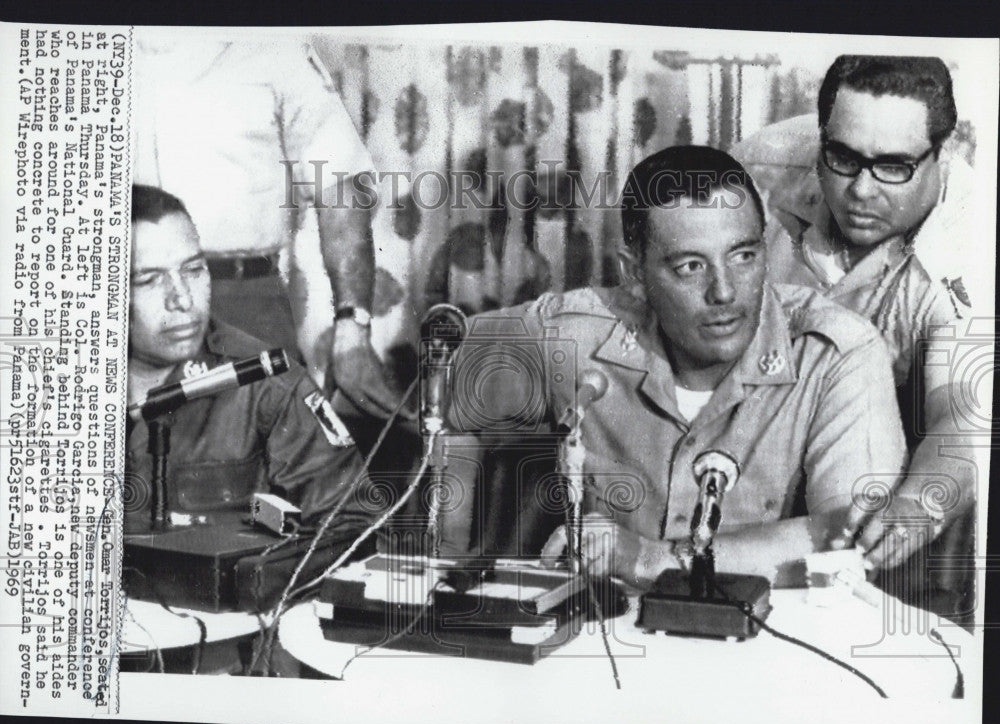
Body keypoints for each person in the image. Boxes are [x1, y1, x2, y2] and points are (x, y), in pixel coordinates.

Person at [437, 146, 907, 589]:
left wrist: (651, 559)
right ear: (636, 275)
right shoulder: (571, 337)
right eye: (690, 267)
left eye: (744, 256)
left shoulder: (836, 353)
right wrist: (450, 553)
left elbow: (848, 534)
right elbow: (436, 390)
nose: (724, 292)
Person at [731, 56, 987, 617]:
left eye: (894, 166)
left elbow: (962, 417)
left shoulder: (973, 243)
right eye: (843, 158)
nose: (861, 190)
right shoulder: (758, 164)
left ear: (941, 156)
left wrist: (921, 500)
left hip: (894, 453)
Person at [133, 31, 406, 419]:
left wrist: (352, 329)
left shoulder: (274, 47)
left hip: (240, 301)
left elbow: (339, 185)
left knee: (263, 461)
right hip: (114, 305)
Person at [124, 184, 374, 535]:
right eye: (149, 280)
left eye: (194, 270)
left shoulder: (265, 384)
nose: (182, 300)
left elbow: (353, 526)